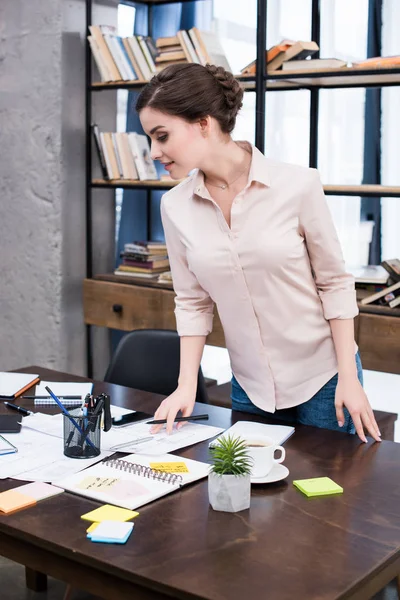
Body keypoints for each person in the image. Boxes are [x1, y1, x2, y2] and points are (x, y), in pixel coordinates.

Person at [136, 63, 381, 444]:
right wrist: (186, 386)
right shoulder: (175, 206)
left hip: (324, 378)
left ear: (203, 123)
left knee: (325, 497)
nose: (154, 152)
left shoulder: (298, 185)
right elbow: (192, 302)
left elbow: (334, 284)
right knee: (247, 495)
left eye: (162, 136)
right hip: (250, 386)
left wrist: (349, 379)